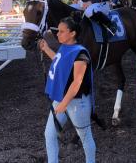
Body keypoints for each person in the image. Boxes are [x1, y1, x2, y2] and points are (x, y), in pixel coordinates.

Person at [39, 17, 96, 163]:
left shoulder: (80, 54)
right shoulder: (65, 48)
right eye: (58, 31)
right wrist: (46, 49)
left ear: (72, 33)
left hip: (77, 102)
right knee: (49, 134)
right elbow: (59, 62)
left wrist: (63, 104)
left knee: (85, 137)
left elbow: (77, 81)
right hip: (62, 99)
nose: (57, 34)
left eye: (62, 31)